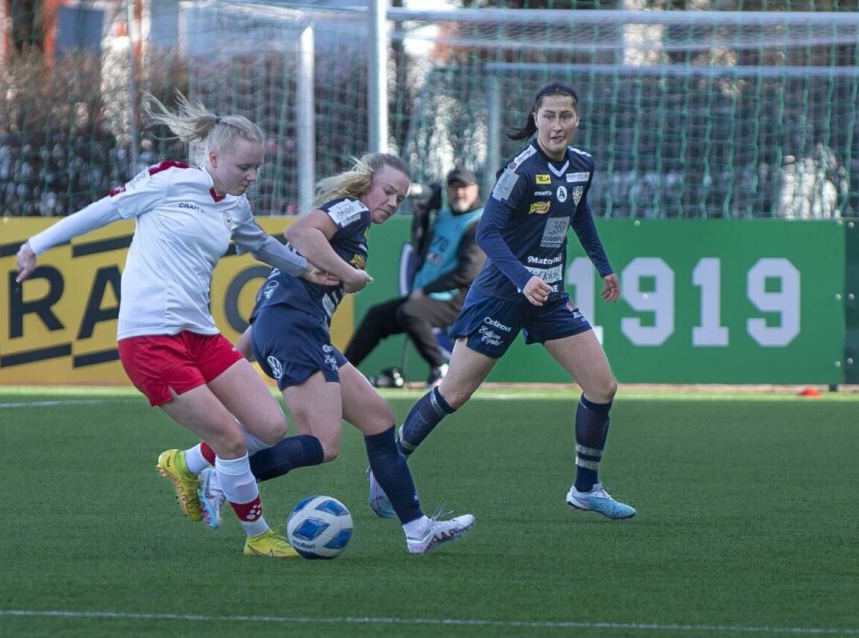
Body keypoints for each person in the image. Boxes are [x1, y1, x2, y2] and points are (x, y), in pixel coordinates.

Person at [16, 93, 347, 559]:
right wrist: (37, 244)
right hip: (149, 340)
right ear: (213, 157)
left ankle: (184, 463)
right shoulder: (170, 181)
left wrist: (304, 269)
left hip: (201, 335)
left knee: (270, 426)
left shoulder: (234, 204)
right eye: (244, 167)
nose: (251, 177)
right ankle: (258, 536)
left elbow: (260, 245)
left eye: (257, 168)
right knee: (231, 439)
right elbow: (105, 209)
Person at [165, 153, 476, 554]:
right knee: (323, 444)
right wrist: (350, 275)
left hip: (296, 329)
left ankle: (418, 530)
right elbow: (298, 232)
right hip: (297, 330)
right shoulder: (353, 211)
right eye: (387, 191)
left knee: (379, 420)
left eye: (399, 198)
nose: (391, 202)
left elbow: (271, 305)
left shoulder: (350, 221)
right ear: (366, 185)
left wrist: (234, 357)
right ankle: (224, 478)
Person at [370, 82, 636, 520]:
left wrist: (604, 266)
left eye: (565, 116)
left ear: (577, 120)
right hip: (500, 295)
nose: (556, 125)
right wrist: (523, 277)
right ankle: (386, 465)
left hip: (547, 296)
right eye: (548, 116)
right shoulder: (520, 170)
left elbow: (580, 214)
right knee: (454, 393)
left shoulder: (583, 166)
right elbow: (489, 233)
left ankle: (585, 489)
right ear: (535, 118)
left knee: (603, 386)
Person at [343, 167, 486, 387]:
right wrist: (421, 215)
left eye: (464, 188)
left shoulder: (478, 221)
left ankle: (441, 369)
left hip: (460, 297)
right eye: (454, 188)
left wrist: (426, 291)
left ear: (475, 189)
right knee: (377, 316)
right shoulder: (444, 217)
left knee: (410, 312)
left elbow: (468, 273)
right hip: (431, 293)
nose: (459, 194)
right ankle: (342, 370)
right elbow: (420, 252)